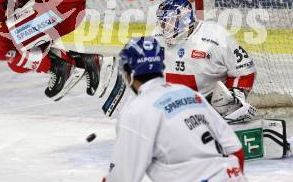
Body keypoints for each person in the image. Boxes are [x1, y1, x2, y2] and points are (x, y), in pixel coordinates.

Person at [103, 36, 246, 182]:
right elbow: (236, 150)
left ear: (129, 73)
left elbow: (121, 177)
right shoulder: (189, 93)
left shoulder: (136, 110)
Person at [155, 0, 257, 123]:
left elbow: (244, 71)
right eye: (162, 22)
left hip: (209, 111)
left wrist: (234, 98)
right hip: (170, 109)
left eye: (169, 21)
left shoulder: (216, 35)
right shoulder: (157, 36)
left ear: (185, 19)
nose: (164, 27)